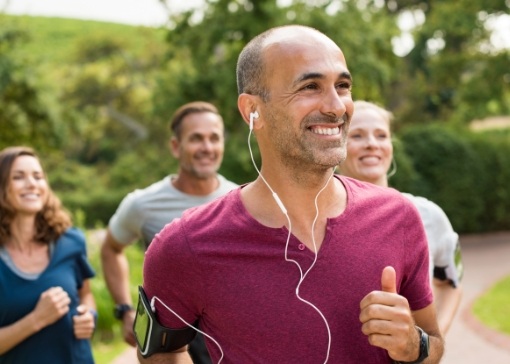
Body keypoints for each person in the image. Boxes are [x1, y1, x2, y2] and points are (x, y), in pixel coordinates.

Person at [139, 25, 444, 363]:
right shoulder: (184, 246)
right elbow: (159, 356)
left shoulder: (398, 217)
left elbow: (435, 343)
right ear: (252, 111)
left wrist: (415, 346)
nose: (336, 107)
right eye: (310, 86)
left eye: (342, 86)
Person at [100, 101, 238, 364]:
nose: (207, 148)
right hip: (170, 349)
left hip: (227, 347)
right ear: (176, 146)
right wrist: (125, 310)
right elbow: (111, 249)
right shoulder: (143, 205)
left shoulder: (239, 200)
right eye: (196, 139)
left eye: (214, 138)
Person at [338, 100, 463, 334]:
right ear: (338, 145)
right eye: (357, 136)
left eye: (381, 135)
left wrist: (429, 346)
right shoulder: (317, 221)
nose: (372, 144)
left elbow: (451, 284)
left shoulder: (428, 215)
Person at [0, 146, 96, 363]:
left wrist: (89, 316)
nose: (32, 184)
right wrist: (36, 319)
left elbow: (85, 295)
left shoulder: (72, 241)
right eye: (18, 177)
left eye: (38, 176)